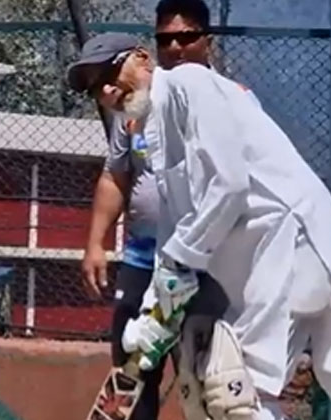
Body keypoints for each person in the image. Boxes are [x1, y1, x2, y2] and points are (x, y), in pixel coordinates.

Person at [68, 32, 331, 420]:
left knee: (236, 394)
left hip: (289, 248)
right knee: (208, 391)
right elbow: (176, 234)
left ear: (142, 58)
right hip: (259, 267)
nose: (106, 89)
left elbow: (230, 184)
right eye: (95, 88)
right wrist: (155, 314)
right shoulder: (156, 133)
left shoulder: (189, 83)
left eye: (109, 71)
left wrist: (177, 269)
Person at [80, 1, 259, 419]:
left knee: (208, 379)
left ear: (207, 42)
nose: (176, 47)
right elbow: (115, 177)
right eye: (165, 39)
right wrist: (94, 243)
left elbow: (242, 183)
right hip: (144, 257)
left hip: (206, 264)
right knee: (132, 367)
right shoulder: (137, 110)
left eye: (187, 37)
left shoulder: (232, 100)